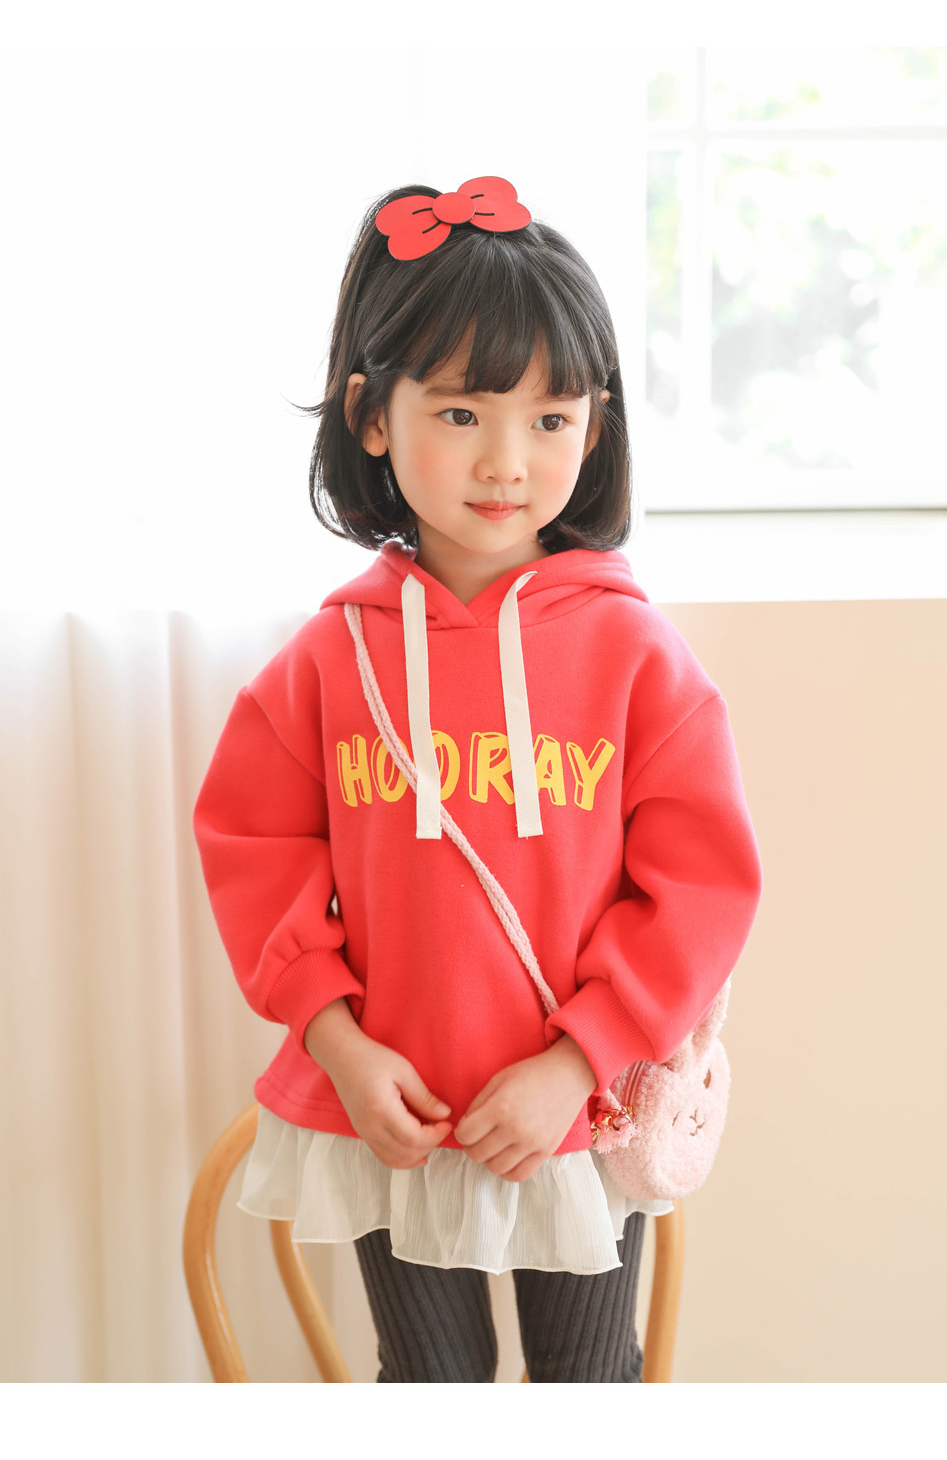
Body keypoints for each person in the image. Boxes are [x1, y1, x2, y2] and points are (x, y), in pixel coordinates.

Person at [192, 176, 763, 1382]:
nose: (508, 462)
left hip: (578, 1114)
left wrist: (579, 1058)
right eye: (462, 412)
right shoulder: (329, 661)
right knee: (427, 1389)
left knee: (586, 1389)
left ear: (595, 430)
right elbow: (253, 849)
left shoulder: (635, 657)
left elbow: (701, 888)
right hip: (394, 1118)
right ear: (372, 415)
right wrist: (340, 1044)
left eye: (551, 417)